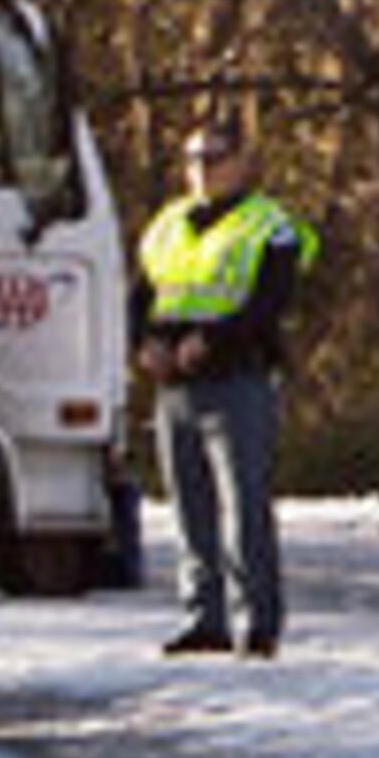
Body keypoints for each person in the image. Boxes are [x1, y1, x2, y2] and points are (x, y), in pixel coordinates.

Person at [131, 117, 320, 658]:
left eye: (212, 158)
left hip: (238, 379)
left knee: (245, 510)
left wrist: (209, 341)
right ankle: (204, 620)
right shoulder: (168, 223)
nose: (200, 170)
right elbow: (140, 296)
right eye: (192, 159)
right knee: (190, 512)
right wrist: (144, 343)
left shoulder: (269, 225)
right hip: (175, 387)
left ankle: (257, 624)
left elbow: (267, 304)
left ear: (242, 163)